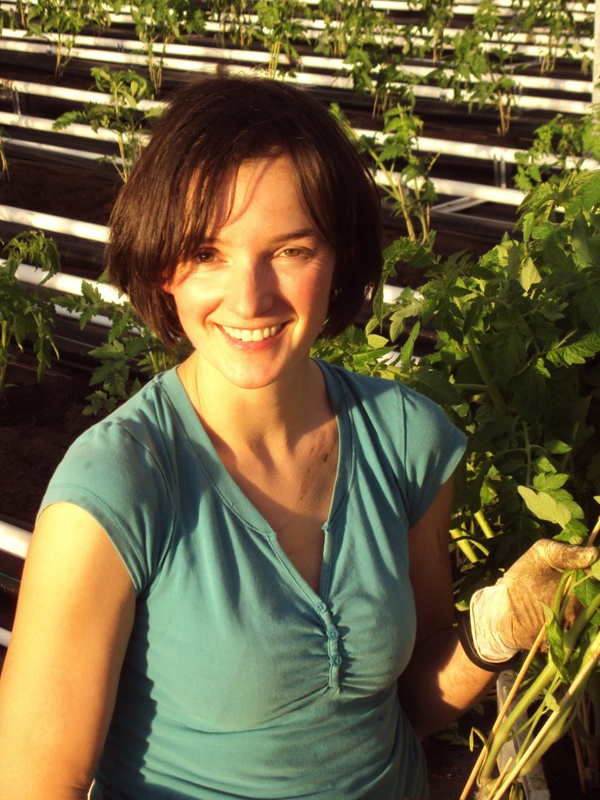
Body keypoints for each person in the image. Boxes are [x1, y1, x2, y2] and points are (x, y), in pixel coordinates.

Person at [0, 75, 596, 800]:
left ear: (340, 257)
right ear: (161, 268)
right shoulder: (117, 490)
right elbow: (35, 783)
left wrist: (496, 630)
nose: (249, 297)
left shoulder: (405, 440)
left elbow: (406, 706)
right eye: (206, 252)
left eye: (289, 250)